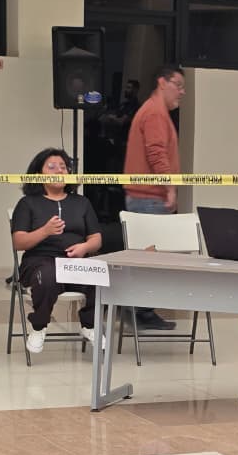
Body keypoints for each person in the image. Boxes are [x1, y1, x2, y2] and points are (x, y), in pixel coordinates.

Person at [11, 149, 102, 355]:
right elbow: (18, 242)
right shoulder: (27, 203)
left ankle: (90, 325)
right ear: (39, 174)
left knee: (100, 276)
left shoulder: (82, 203)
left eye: (63, 167)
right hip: (40, 261)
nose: (59, 171)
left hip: (75, 262)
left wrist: (84, 247)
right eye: (51, 167)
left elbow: (96, 238)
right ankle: (39, 326)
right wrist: (44, 231)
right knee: (47, 276)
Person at [123, 64, 185, 330]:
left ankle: (139, 308)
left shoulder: (152, 111)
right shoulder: (155, 114)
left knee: (147, 257)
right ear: (162, 82)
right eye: (178, 85)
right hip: (149, 198)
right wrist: (170, 187)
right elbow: (156, 153)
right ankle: (140, 311)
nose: (182, 92)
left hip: (146, 197)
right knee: (149, 258)